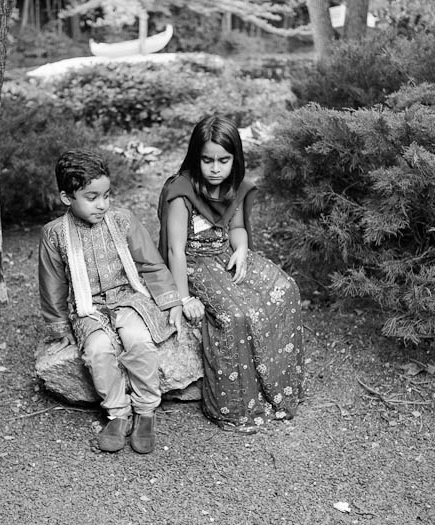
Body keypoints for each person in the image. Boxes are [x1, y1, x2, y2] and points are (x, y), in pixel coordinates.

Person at [157, 115, 305, 433]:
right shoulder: (181, 193)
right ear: (195, 158)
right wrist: (182, 297)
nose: (215, 168)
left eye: (223, 160)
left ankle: (282, 390)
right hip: (194, 261)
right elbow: (174, 250)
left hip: (225, 253)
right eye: (207, 160)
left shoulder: (233, 187)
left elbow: (236, 228)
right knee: (236, 314)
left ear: (234, 159)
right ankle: (237, 406)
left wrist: (241, 248)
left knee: (286, 288)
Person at [39, 149, 183, 453]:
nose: (102, 204)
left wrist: (171, 301)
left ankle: (145, 410)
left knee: (139, 340)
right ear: (67, 198)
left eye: (107, 195)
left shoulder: (122, 220)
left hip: (129, 299)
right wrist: (59, 327)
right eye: (92, 197)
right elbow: (53, 283)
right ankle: (117, 413)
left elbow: (151, 265)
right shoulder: (54, 235)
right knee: (97, 350)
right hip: (87, 309)